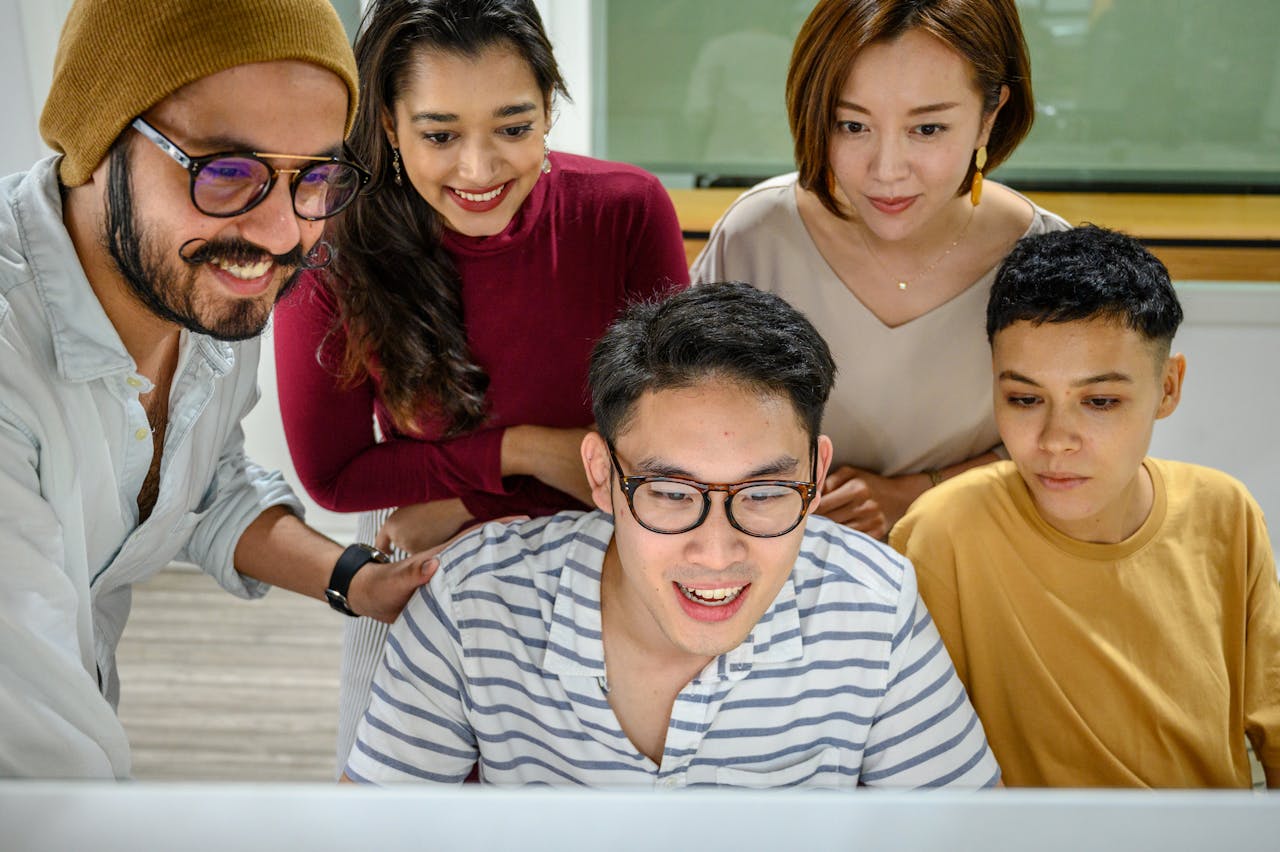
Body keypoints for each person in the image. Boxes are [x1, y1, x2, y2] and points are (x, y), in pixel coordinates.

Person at [0, 0, 436, 779]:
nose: (281, 233)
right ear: (97, 141)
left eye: (317, 176)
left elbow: (195, 484)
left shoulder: (195, 282)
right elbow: (39, 768)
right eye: (226, 172)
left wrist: (355, 581)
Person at [343, 282, 998, 788]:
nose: (717, 553)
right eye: (672, 494)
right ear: (601, 476)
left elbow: (969, 841)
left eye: (765, 493)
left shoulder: (873, 605)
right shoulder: (471, 602)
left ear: (817, 475)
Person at [272, 0, 689, 771]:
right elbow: (333, 479)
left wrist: (475, 499)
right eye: (439, 134)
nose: (479, 169)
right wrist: (528, 454)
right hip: (432, 557)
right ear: (389, 127)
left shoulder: (627, 212)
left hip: (603, 552)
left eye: (513, 126)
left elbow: (667, 443)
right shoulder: (332, 247)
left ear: (548, 109)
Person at [891, 226, 1280, 788]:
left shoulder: (1225, 512)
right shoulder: (945, 530)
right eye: (1024, 399)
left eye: (1099, 402)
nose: (1055, 440)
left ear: (1168, 388)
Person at [691, 0, 1069, 540]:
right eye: (852, 125)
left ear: (990, 116)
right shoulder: (756, 237)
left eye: (929, 129)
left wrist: (913, 494)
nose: (886, 171)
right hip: (781, 573)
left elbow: (1073, 451)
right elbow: (682, 421)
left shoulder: (1048, 257)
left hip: (978, 564)